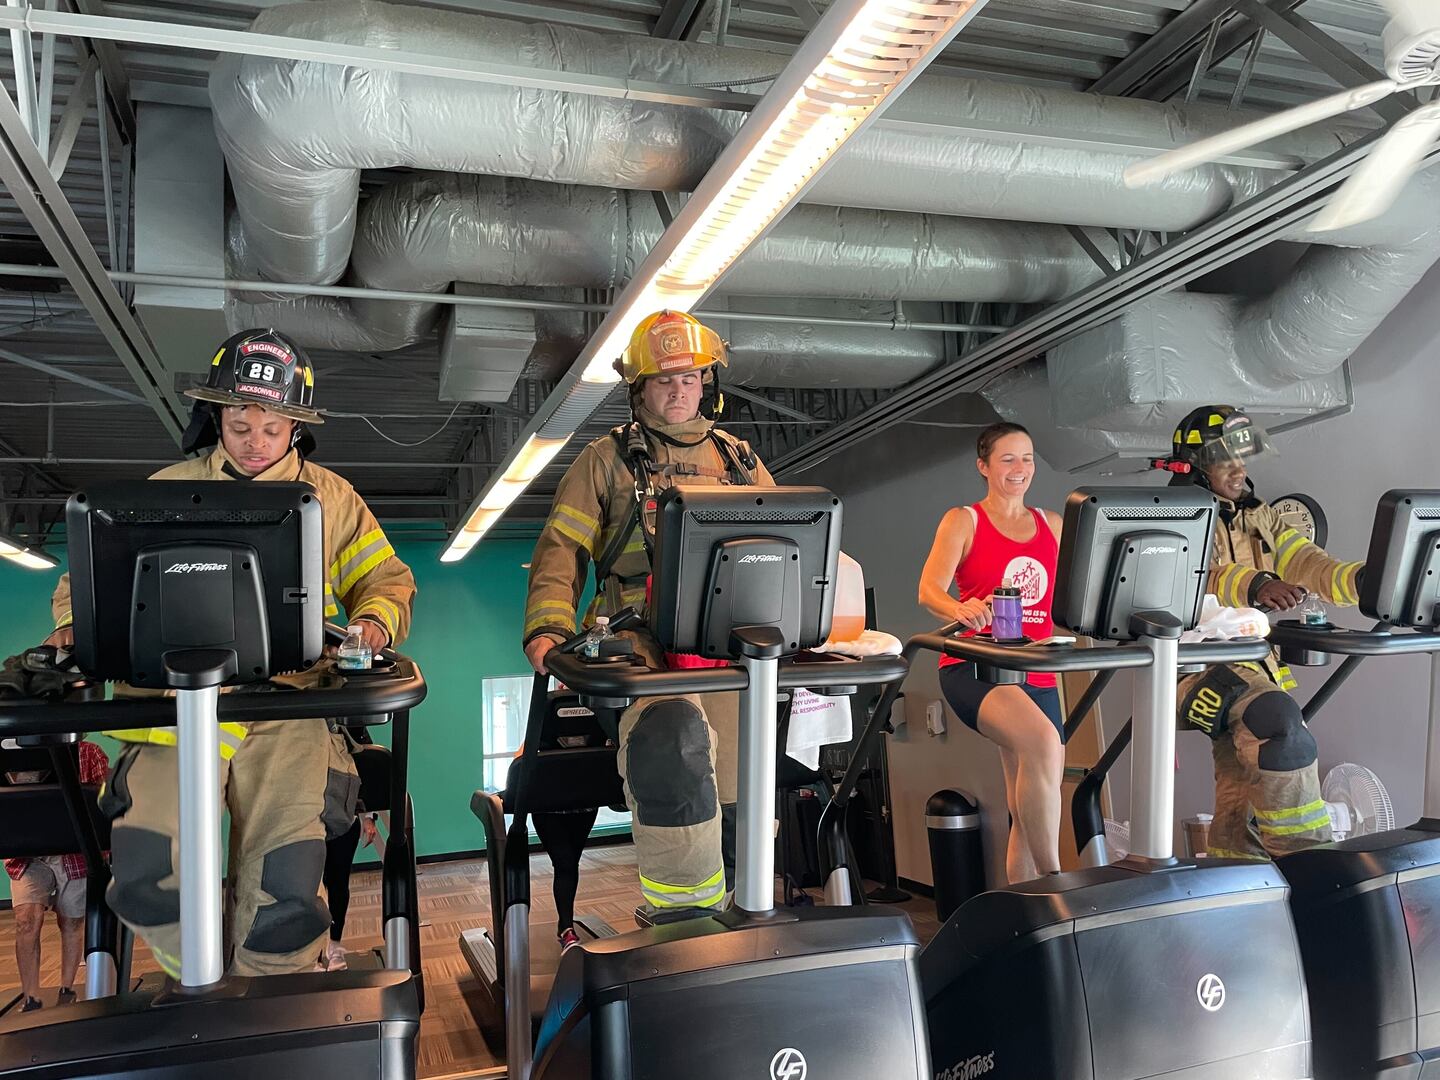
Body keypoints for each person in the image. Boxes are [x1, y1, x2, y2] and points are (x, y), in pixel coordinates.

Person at [43, 328, 417, 979]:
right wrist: (75, 627)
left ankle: (270, 1008)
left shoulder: (331, 498)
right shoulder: (165, 489)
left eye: (273, 426)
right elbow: (85, 584)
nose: (255, 440)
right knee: (147, 884)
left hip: (289, 709)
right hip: (171, 709)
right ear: (216, 414)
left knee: (286, 905)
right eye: (240, 422)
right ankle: (203, 979)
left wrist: (374, 624)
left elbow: (386, 581)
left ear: (296, 425)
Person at [522, 310, 771, 927]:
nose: (679, 390)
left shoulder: (742, 462)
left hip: (728, 644)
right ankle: (683, 921)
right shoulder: (604, 461)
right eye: (664, 380)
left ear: (706, 382)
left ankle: (747, 912)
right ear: (639, 388)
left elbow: (782, 544)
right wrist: (548, 630)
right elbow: (561, 549)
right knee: (671, 742)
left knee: (746, 779)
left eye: (690, 378)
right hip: (641, 639)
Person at [1163, 405, 1363, 860]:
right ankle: (1310, 866)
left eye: (1242, 457)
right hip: (1193, 665)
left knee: (1244, 784)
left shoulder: (1261, 517)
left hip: (1256, 664)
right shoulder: (1176, 515)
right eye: (1225, 459)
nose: (1239, 469)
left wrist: (1367, 582)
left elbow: (1310, 563)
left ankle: (1234, 869)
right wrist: (1254, 584)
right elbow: (1202, 575)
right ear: (1194, 464)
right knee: (1280, 727)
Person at [918, 422, 1064, 883]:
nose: (1020, 468)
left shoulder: (1052, 524)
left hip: (1036, 668)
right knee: (1042, 743)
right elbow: (928, 591)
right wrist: (961, 609)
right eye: (1007, 459)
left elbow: (1074, 597)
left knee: (1031, 803)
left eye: (1027, 458)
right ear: (983, 466)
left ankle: (1024, 914)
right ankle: (1058, 885)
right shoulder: (964, 520)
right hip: (975, 664)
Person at [5, 739, 108, 1011]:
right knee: (26, 920)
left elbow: (104, 803)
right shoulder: (6, 754)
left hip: (74, 852)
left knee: (71, 922)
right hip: (27, 853)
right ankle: (30, 997)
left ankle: (67, 989)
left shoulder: (90, 753)